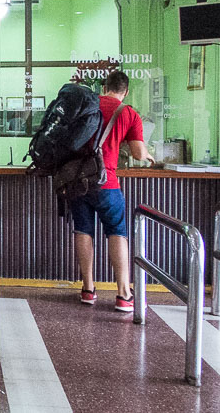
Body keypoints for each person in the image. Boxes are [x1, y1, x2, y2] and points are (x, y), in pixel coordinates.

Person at [69, 71, 154, 312]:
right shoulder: (128, 113)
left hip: (78, 181)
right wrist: (146, 154)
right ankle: (124, 293)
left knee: (83, 229)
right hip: (107, 183)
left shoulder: (87, 105)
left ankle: (87, 289)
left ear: (104, 87)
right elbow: (138, 153)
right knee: (117, 231)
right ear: (125, 91)